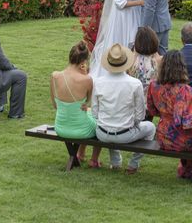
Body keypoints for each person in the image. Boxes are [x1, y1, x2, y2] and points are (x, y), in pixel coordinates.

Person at [146, 50, 192, 181]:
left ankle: (187, 167)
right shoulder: (184, 90)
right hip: (181, 140)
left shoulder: (154, 85)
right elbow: (191, 121)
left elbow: (152, 110)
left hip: (163, 137)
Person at [92, 44, 155, 174]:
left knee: (111, 120)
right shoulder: (134, 83)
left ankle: (116, 163)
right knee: (151, 127)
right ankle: (133, 164)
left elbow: (95, 112)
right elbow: (140, 115)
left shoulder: (98, 82)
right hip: (123, 134)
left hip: (102, 133)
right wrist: (132, 124)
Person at [89, 0, 144, 79]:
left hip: (136, 13)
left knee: (136, 42)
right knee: (125, 41)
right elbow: (119, 3)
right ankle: (119, 69)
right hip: (123, 15)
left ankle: (133, 73)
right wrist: (140, 2)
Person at [50, 41, 101, 167]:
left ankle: (80, 154)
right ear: (84, 61)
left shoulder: (55, 76)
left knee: (87, 114)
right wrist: (84, 74)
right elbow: (87, 103)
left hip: (60, 128)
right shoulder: (87, 79)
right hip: (82, 130)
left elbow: (55, 106)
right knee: (101, 123)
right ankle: (94, 159)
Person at [129, 26, 162, 96]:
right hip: (153, 99)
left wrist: (135, 52)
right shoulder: (159, 61)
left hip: (134, 99)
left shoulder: (131, 61)